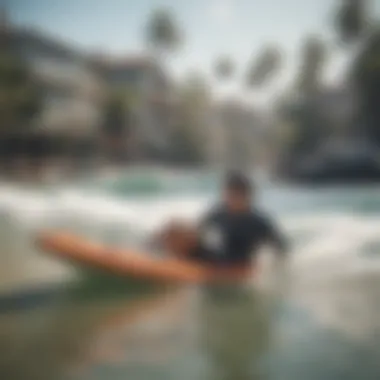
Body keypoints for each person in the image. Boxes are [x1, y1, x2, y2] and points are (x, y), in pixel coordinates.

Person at [155, 171, 287, 271]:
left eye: (236, 195)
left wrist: (268, 269)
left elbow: (281, 246)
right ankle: (154, 257)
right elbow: (198, 229)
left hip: (236, 264)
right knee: (175, 226)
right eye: (229, 194)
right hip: (215, 258)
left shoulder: (258, 221)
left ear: (247, 196)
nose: (231, 199)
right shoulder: (219, 212)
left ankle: (162, 265)